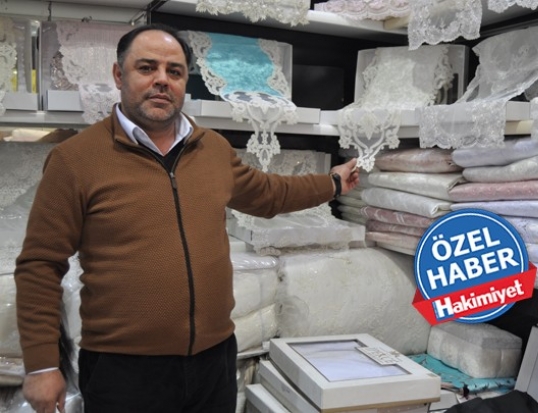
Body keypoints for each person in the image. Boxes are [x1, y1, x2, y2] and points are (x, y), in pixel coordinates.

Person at [14, 23, 359, 413]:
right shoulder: (75, 160)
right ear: (119, 75)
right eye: (147, 68)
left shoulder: (211, 148)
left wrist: (332, 183)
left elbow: (267, 193)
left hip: (213, 362)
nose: (162, 80)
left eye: (174, 71)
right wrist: (42, 364)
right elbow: (40, 264)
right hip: (125, 372)